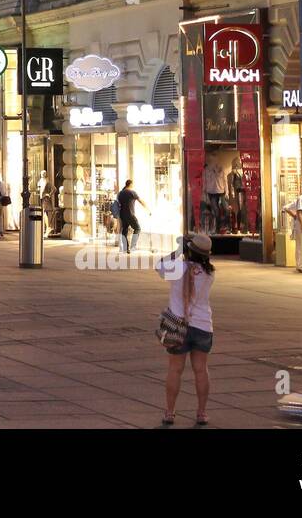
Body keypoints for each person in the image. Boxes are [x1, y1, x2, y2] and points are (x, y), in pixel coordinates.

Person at [158, 233, 215, 426]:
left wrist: (178, 251)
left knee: (175, 370)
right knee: (201, 370)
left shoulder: (178, 268)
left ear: (189, 250)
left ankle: (170, 412)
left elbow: (159, 265)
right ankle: (201, 413)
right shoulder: (209, 273)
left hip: (177, 327)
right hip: (202, 325)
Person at [117, 179, 147, 254]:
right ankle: (133, 246)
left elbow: (118, 204)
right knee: (137, 228)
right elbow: (141, 201)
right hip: (130, 214)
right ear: (130, 184)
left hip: (122, 214)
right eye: (133, 184)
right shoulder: (132, 192)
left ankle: (125, 248)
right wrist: (147, 207)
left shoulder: (120, 193)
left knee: (124, 230)